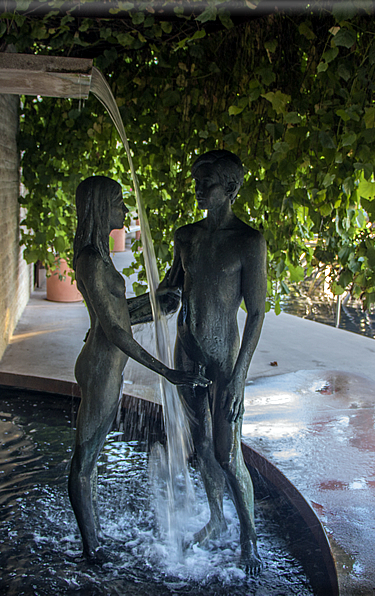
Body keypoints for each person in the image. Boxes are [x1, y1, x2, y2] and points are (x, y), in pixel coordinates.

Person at [69, 175, 208, 562]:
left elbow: (114, 314)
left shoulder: (98, 256)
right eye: (117, 202)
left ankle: (93, 537)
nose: (124, 210)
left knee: (91, 460)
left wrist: (154, 302)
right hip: (102, 367)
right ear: (100, 207)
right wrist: (167, 372)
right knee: (84, 462)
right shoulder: (92, 261)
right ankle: (91, 549)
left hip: (105, 362)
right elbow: (114, 331)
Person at [159, 150, 268, 572]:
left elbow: (256, 313)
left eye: (207, 183)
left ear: (231, 188)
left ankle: (250, 535)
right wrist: (119, 316)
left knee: (227, 453)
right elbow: (170, 294)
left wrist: (239, 378)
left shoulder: (248, 242)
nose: (198, 189)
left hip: (225, 363)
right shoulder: (186, 237)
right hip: (186, 357)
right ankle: (217, 518)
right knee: (201, 447)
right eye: (196, 181)